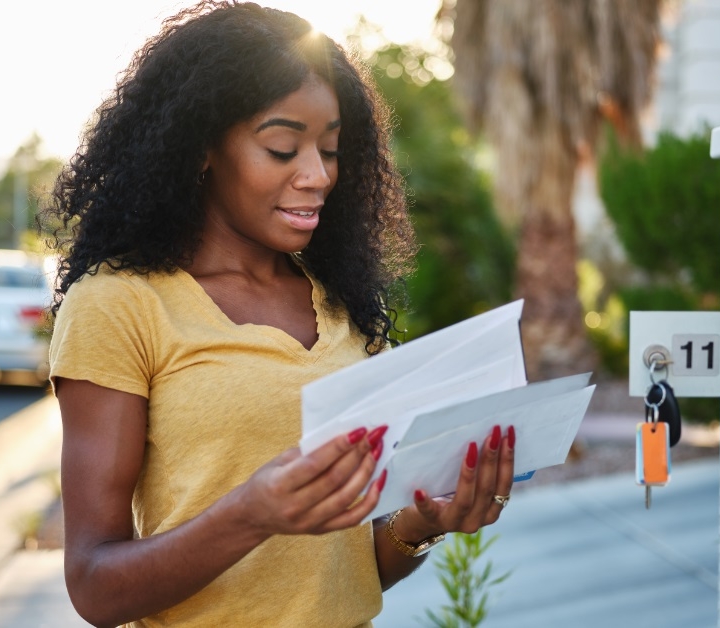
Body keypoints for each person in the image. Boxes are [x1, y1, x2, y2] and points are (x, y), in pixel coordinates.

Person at [42, 2, 517, 626]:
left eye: (330, 149)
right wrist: (249, 515)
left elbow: (347, 569)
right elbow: (95, 586)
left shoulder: (342, 303)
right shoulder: (120, 303)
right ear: (202, 147)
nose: (318, 175)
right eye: (283, 148)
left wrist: (422, 523)